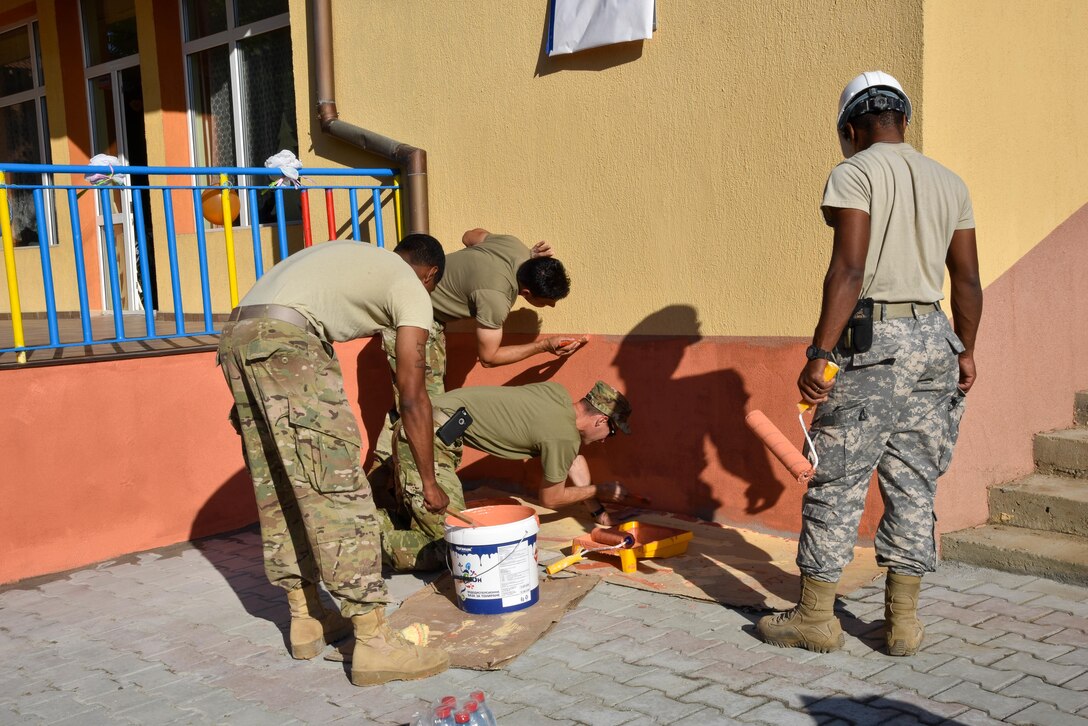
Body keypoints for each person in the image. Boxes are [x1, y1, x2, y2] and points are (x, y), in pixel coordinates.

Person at [756, 71, 983, 657]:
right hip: (936, 340)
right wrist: (967, 349)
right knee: (914, 480)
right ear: (903, 120)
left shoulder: (853, 173)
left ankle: (814, 619)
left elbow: (848, 271)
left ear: (852, 128)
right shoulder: (950, 182)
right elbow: (967, 280)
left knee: (839, 479)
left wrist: (820, 353)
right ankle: (902, 624)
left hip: (873, 343)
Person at [217, 235, 452, 686]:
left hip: (235, 339)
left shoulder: (363, 261)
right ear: (430, 276)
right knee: (337, 490)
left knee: (283, 485)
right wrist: (429, 482)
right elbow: (414, 397)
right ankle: (374, 642)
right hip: (287, 343)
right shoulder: (412, 288)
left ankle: (307, 615)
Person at [370, 228, 587, 469]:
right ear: (526, 293)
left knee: (409, 405)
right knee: (426, 410)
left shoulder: (515, 246)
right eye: (547, 303)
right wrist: (544, 345)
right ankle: (409, 486)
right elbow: (489, 357)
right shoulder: (496, 297)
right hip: (413, 318)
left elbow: (468, 236)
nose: (553, 307)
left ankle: (382, 480)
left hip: (414, 312)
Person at [379, 381, 641, 572]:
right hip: (426, 438)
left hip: (421, 422)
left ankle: (363, 522)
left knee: (414, 519)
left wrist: (599, 513)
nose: (606, 440)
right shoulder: (562, 436)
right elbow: (550, 498)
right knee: (452, 548)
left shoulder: (557, 394)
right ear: (599, 421)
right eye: (612, 432)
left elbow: (572, 459)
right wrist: (600, 490)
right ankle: (357, 543)